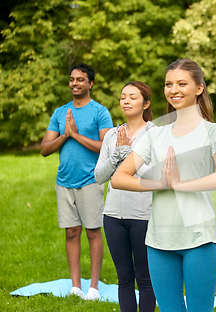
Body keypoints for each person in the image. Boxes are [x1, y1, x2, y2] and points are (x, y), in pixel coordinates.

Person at [111, 58, 216, 312]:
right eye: (169, 84)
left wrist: (180, 184)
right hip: (158, 241)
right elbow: (119, 177)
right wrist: (159, 183)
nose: (173, 90)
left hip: (199, 240)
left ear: (199, 88)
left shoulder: (214, 131)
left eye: (181, 83)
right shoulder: (155, 133)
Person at [41, 63, 113, 300]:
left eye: (80, 79)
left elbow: (106, 147)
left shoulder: (100, 112)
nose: (75, 83)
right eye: (72, 79)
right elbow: (44, 149)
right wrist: (65, 135)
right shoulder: (60, 113)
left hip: (91, 180)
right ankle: (75, 286)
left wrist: (76, 135)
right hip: (64, 181)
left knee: (93, 231)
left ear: (90, 84)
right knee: (71, 232)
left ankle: (93, 287)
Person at [94, 81, 156, 311]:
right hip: (112, 216)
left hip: (143, 215)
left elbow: (156, 177)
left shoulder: (155, 134)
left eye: (132, 97)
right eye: (123, 97)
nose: (126, 101)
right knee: (124, 279)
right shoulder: (112, 135)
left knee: (146, 279)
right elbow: (99, 176)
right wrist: (115, 157)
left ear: (146, 103)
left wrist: (129, 155)